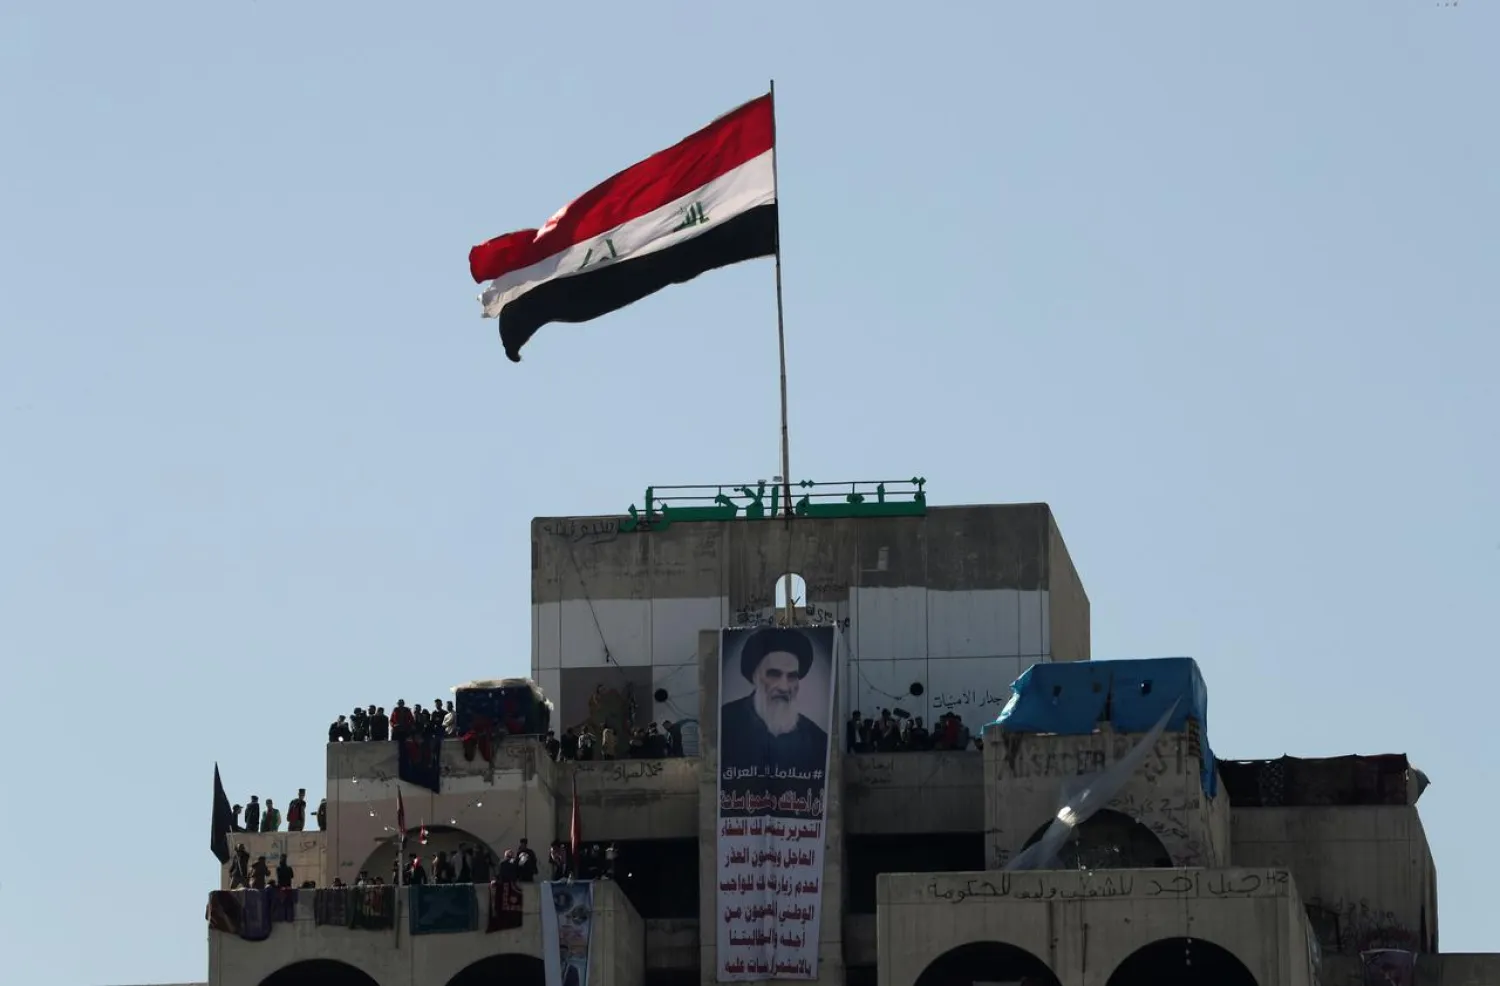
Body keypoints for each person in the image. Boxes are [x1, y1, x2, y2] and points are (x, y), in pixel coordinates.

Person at [719, 627, 829, 776]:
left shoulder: (817, 740)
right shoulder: (724, 724)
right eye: (774, 674)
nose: (784, 687)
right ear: (755, 677)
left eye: (792, 677)